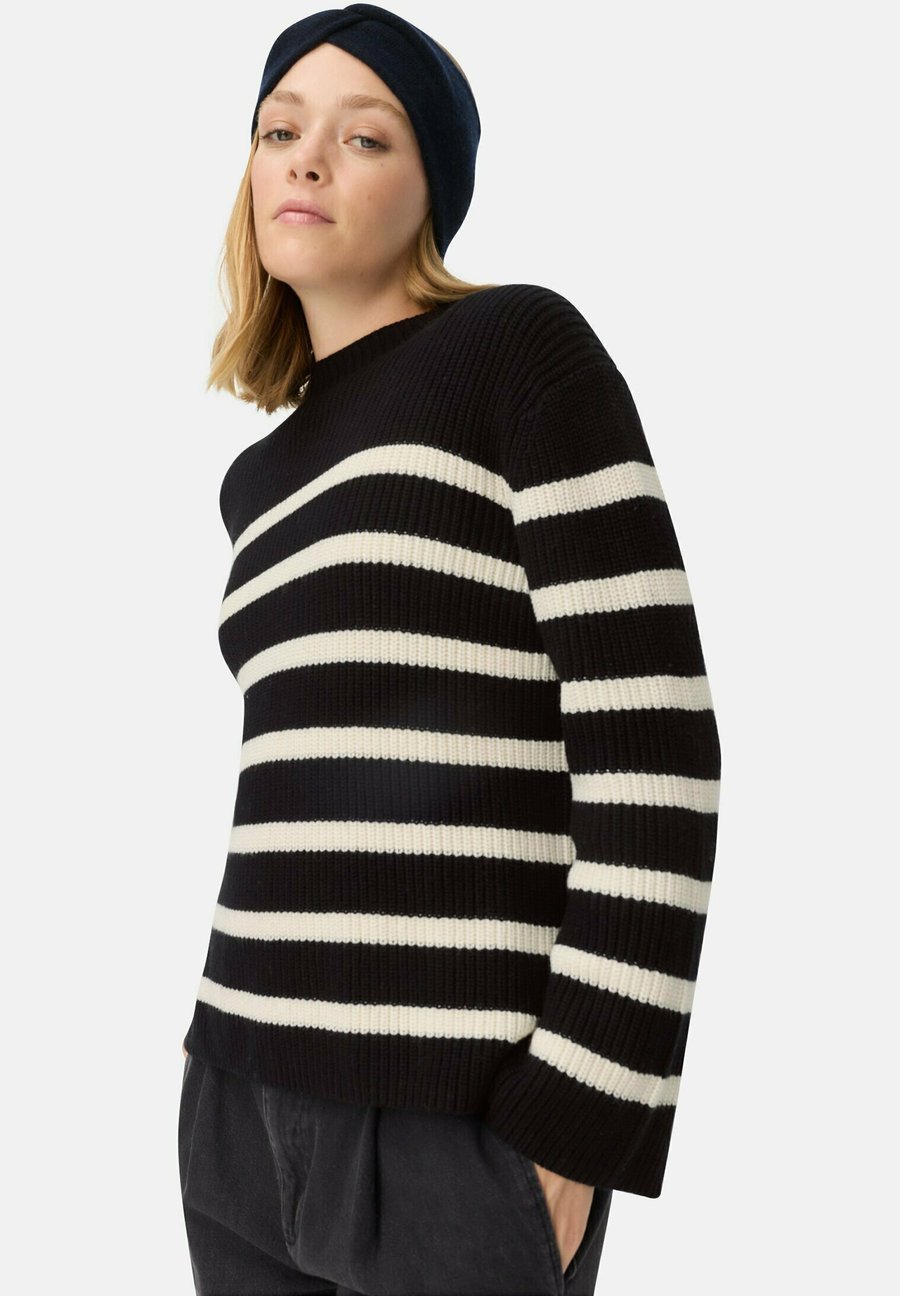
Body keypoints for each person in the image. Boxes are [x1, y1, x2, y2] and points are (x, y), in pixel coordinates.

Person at [177, 6, 722, 1295]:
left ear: (435, 192)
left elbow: (656, 752)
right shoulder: (259, 480)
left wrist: (580, 1120)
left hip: (454, 1118)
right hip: (236, 1096)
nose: (308, 159)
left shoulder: (517, 352)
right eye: (279, 131)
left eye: (365, 137)